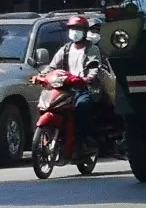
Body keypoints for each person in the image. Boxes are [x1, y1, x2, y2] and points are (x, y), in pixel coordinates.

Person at [32, 15, 102, 154]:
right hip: (64, 88)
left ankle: (84, 140)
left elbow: (94, 67)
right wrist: (41, 76)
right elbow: (52, 67)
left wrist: (88, 78)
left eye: (78, 29)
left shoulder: (92, 49)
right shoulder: (65, 49)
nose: (74, 31)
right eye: (72, 28)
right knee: (47, 105)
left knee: (82, 107)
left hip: (83, 88)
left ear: (84, 31)